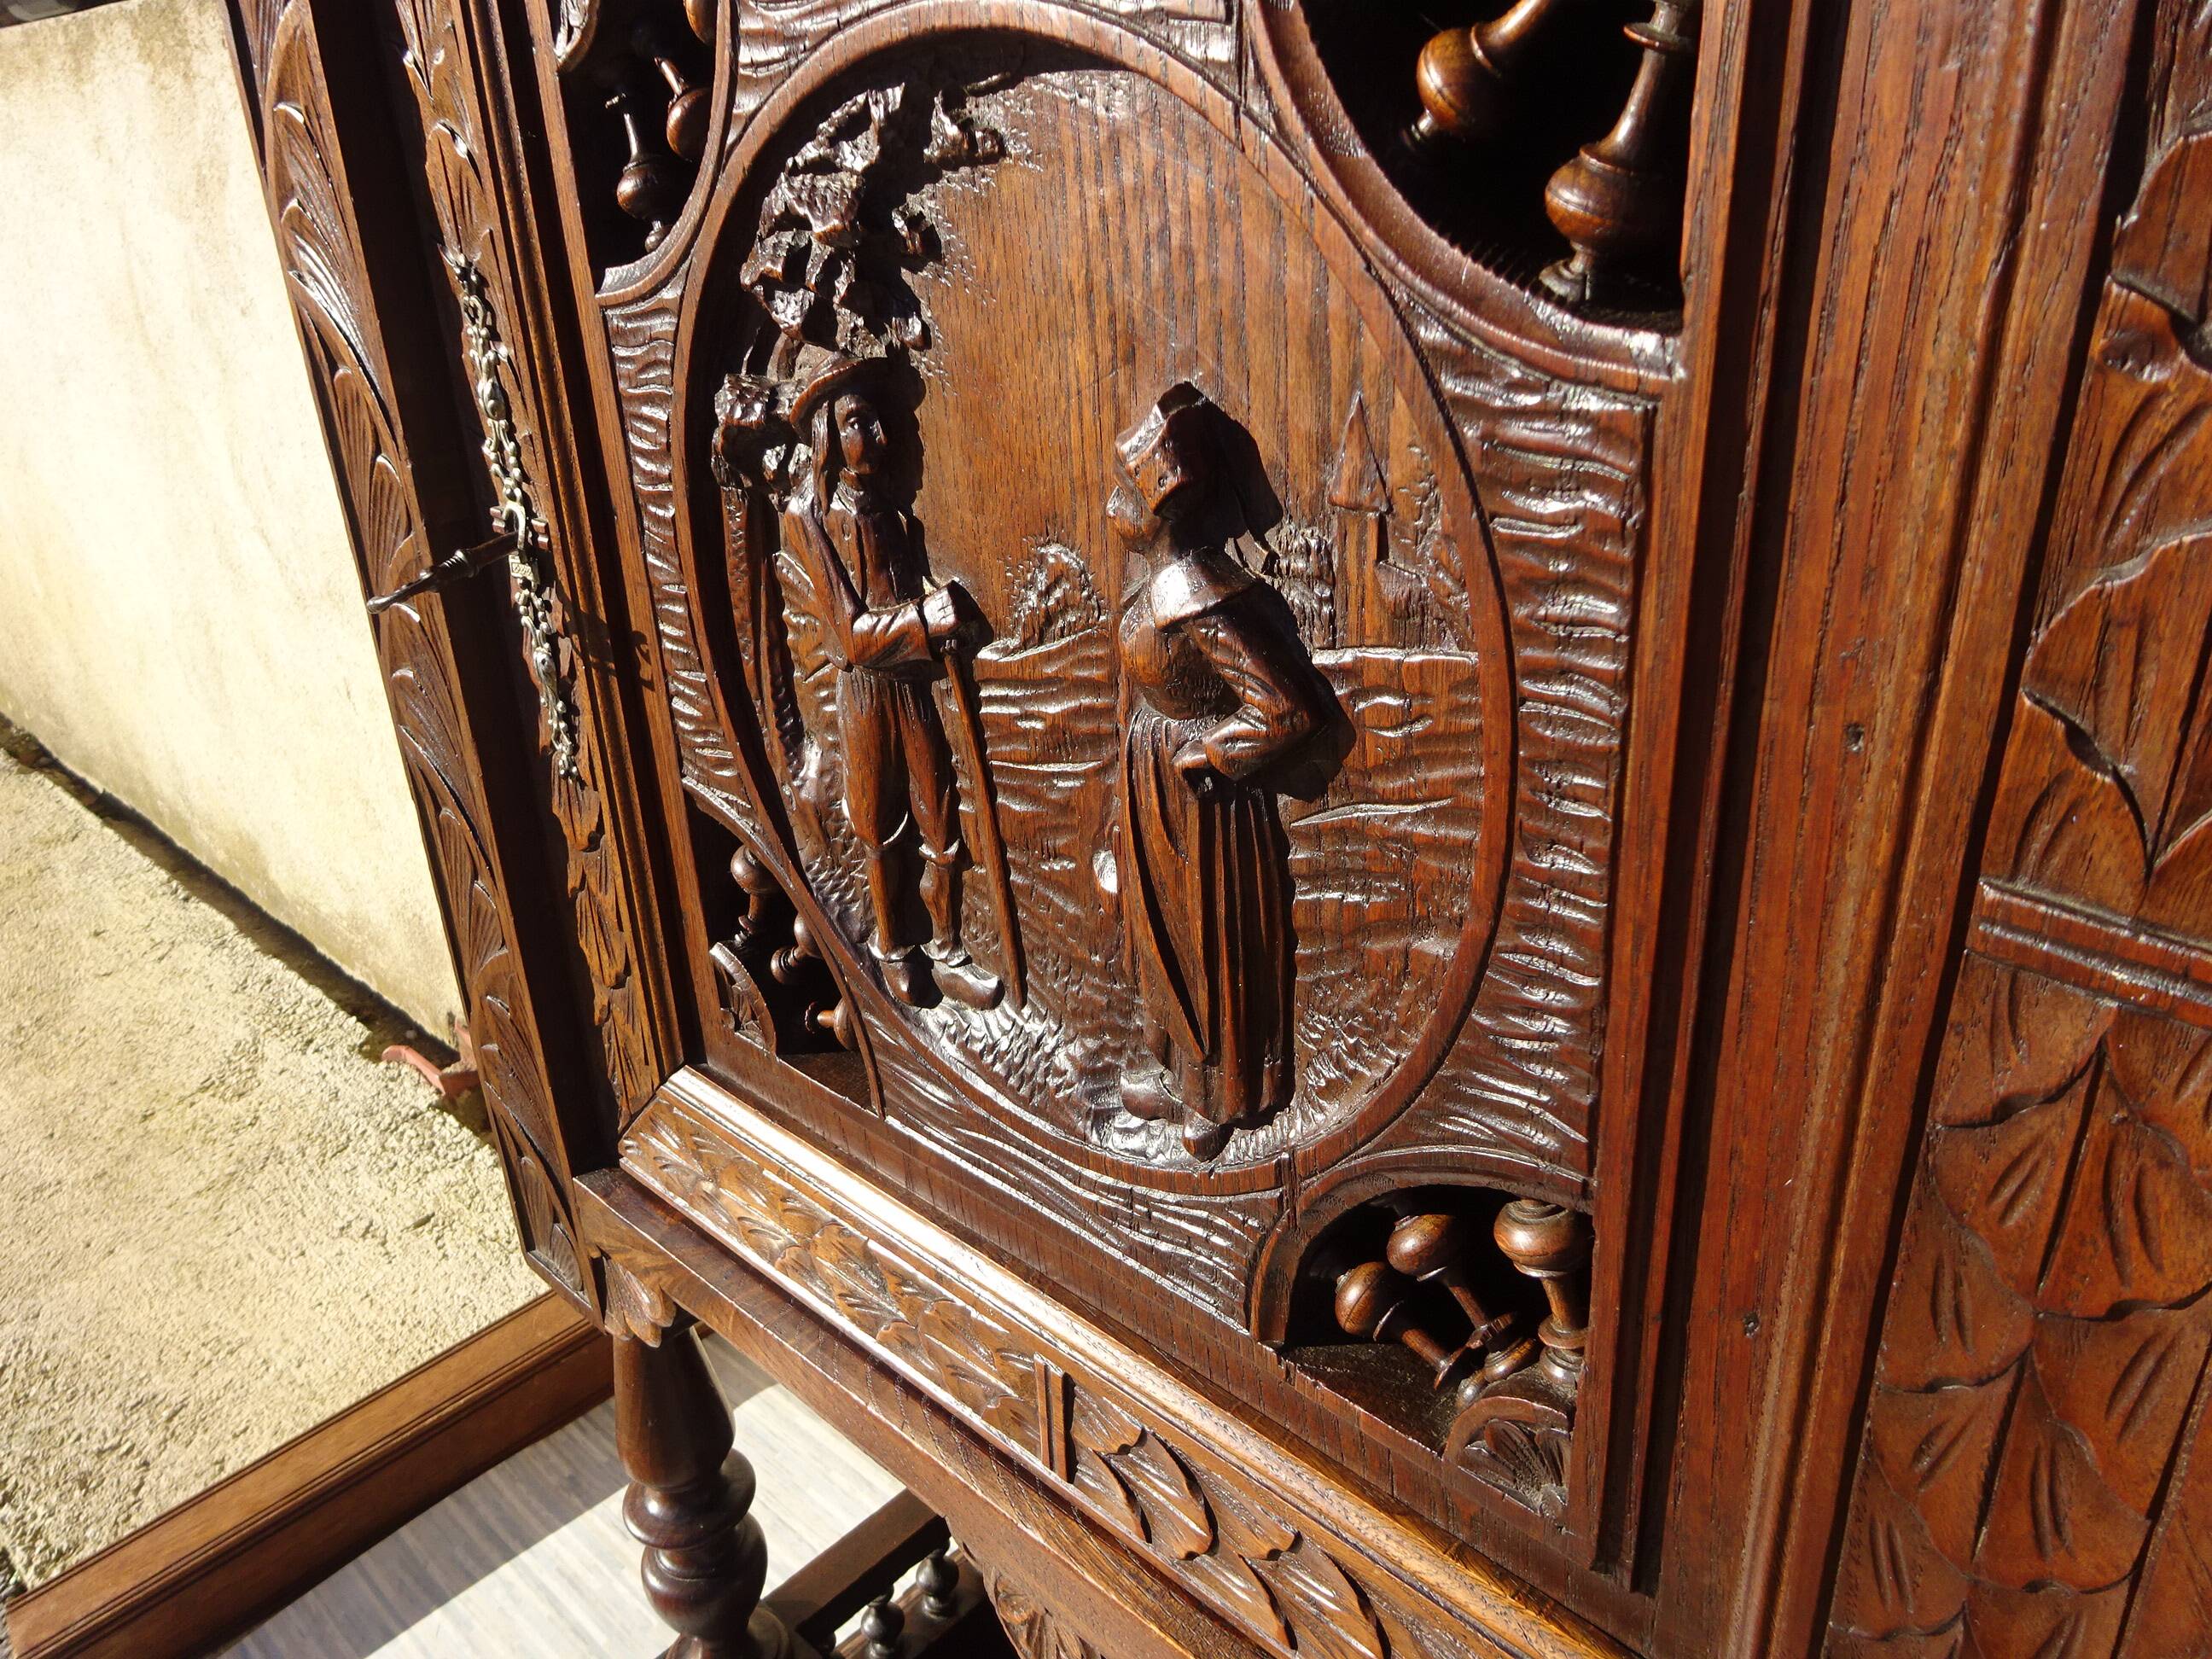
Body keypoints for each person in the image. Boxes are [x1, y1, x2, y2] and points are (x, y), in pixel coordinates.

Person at [1109, 385, 1334, 1158]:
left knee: (1208, 938)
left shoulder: (1194, 591)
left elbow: (1288, 709)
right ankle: (1178, 1071)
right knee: (1163, 931)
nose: (1111, 508)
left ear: (1163, 511)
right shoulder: (1153, 585)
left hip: (1204, 800)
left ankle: (1221, 1092)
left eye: (1124, 496)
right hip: (1155, 782)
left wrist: (1209, 752)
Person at [787, 352, 1001, 1010]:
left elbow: (908, 586)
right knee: (879, 823)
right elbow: (850, 636)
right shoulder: (812, 518)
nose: (875, 436)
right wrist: (923, 619)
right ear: (826, 435)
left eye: (877, 420)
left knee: (939, 810)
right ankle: (893, 946)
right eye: (857, 422)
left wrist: (942, 615)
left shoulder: (893, 514)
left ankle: (950, 947)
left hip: (911, 683)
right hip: (865, 693)